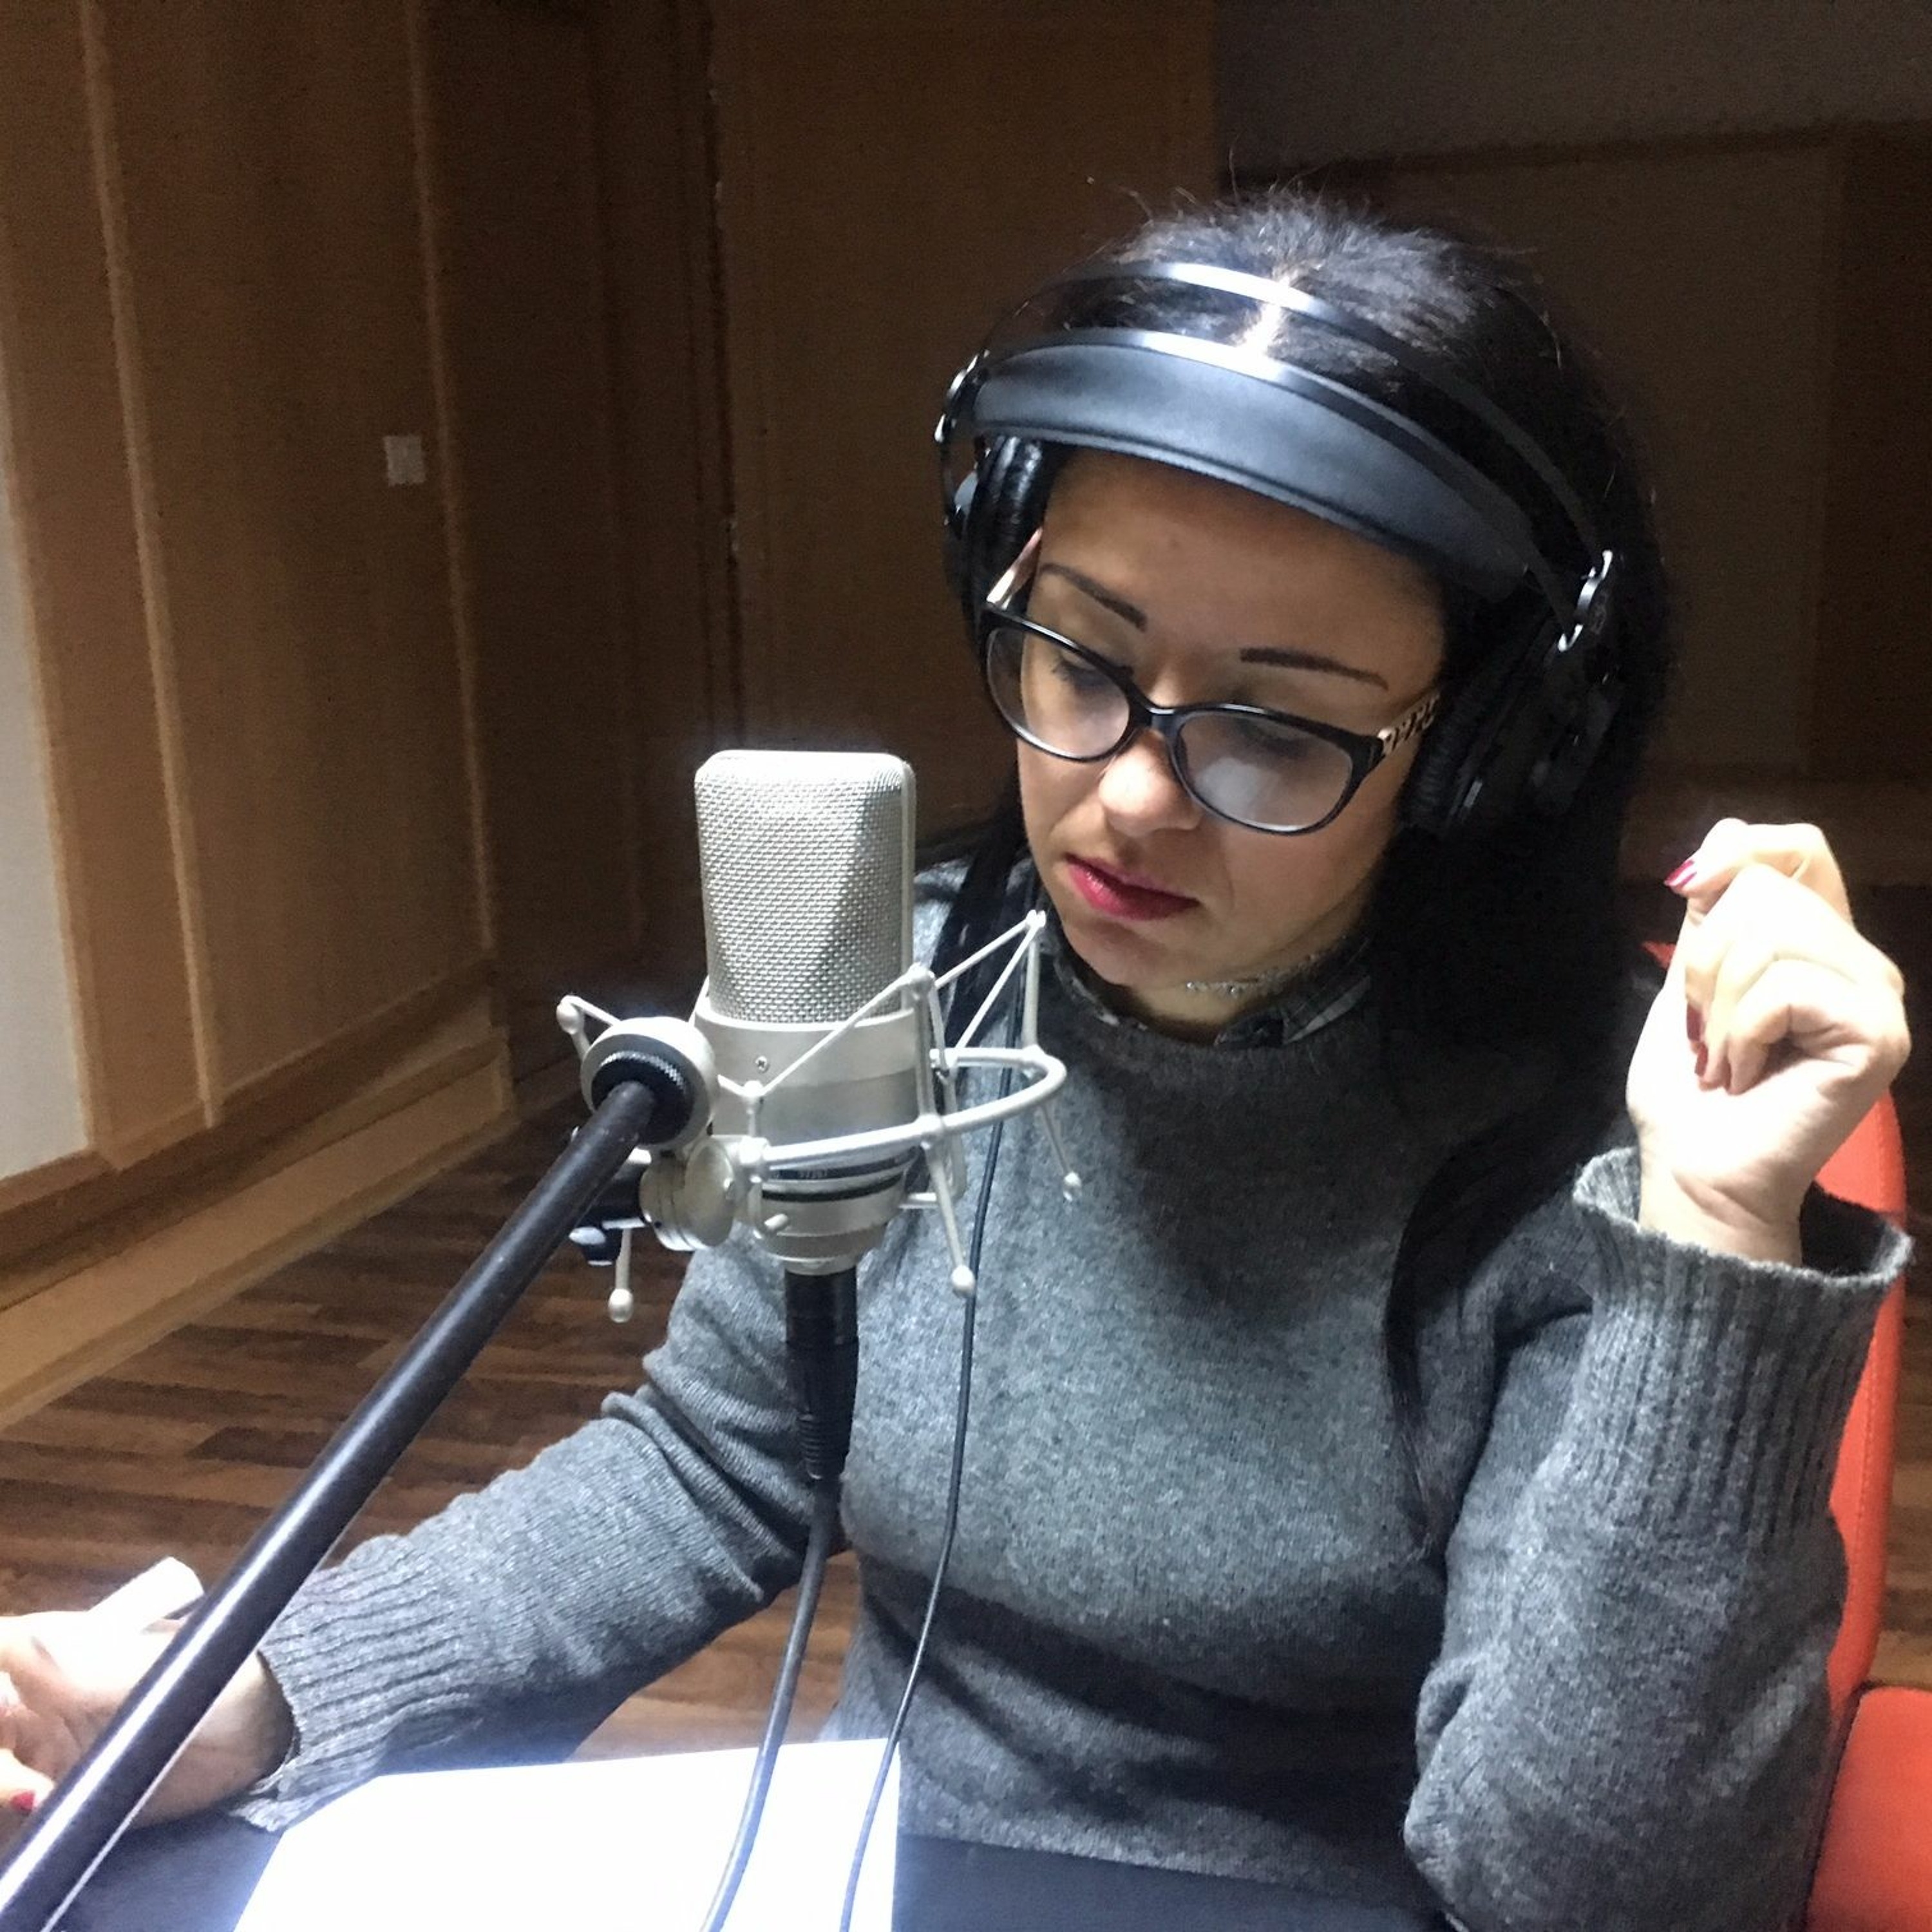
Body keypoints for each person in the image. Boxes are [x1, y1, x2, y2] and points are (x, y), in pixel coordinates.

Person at [0, 191, 1913, 1932]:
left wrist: (1713, 1253)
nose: (1130, 800)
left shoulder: (1593, 1160)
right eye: (1079, 660)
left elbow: (1591, 1894)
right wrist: (261, 1692)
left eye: (1276, 728)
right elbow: (714, 1464)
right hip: (881, 1877)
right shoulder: (900, 985)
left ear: (1481, 754)